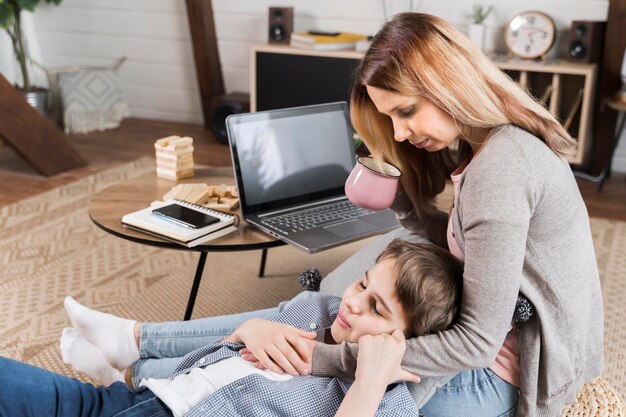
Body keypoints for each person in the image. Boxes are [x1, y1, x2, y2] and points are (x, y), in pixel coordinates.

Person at [112, 12, 603, 417]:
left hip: (503, 373)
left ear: (450, 84)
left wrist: (328, 360)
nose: (401, 131)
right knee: (317, 311)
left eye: (405, 111)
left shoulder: (501, 167)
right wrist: (400, 201)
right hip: (479, 334)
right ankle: (137, 343)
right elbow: (463, 243)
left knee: (315, 377)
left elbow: (475, 343)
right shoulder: (481, 149)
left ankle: (143, 373)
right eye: (390, 117)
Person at [0, 239, 463, 417]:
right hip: (142, 399)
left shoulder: (388, 406)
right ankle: (123, 364)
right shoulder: (317, 310)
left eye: (376, 308)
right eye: (362, 284)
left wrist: (367, 381)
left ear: (404, 339)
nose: (353, 302)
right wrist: (248, 331)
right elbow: (221, 364)